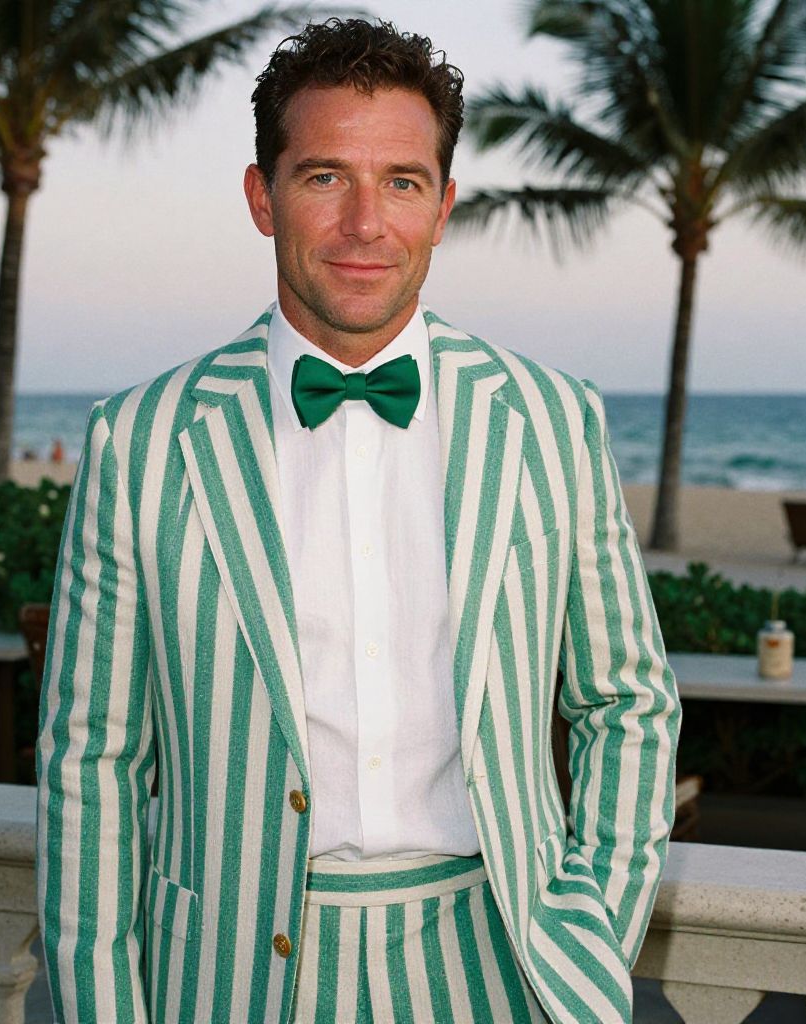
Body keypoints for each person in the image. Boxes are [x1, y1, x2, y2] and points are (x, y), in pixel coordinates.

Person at [36, 19, 681, 1024]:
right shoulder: (142, 439)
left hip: (502, 964)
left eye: (403, 182)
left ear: (443, 206)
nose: (365, 223)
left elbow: (628, 704)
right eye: (325, 177)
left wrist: (588, 935)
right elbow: (93, 763)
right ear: (263, 197)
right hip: (230, 978)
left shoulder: (553, 419)